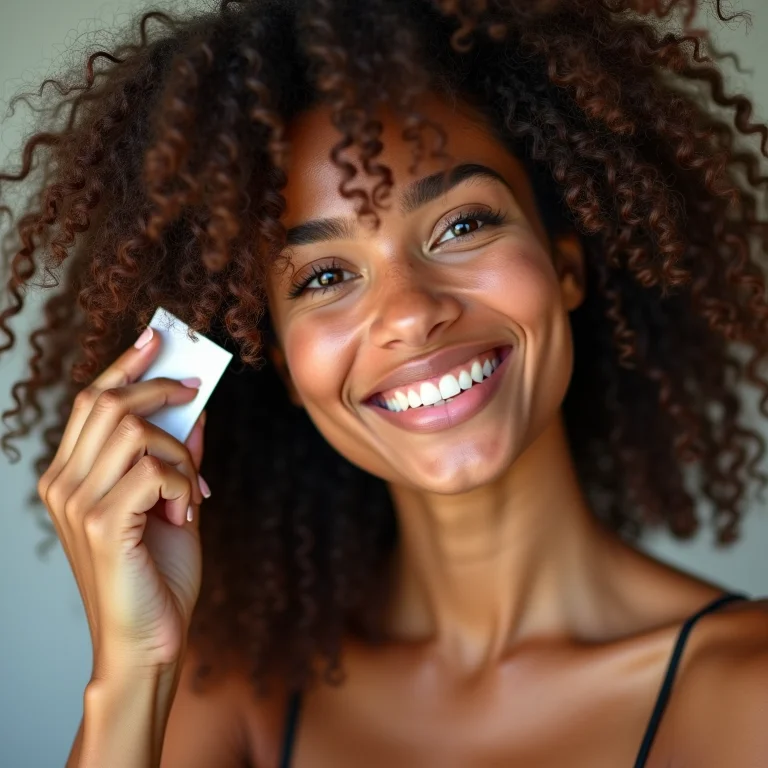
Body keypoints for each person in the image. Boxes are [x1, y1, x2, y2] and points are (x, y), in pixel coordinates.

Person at [1, 0, 767, 765]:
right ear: (287, 369)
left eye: (462, 225)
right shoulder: (233, 696)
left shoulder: (749, 690)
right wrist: (134, 673)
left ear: (565, 265)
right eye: (326, 276)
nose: (409, 314)